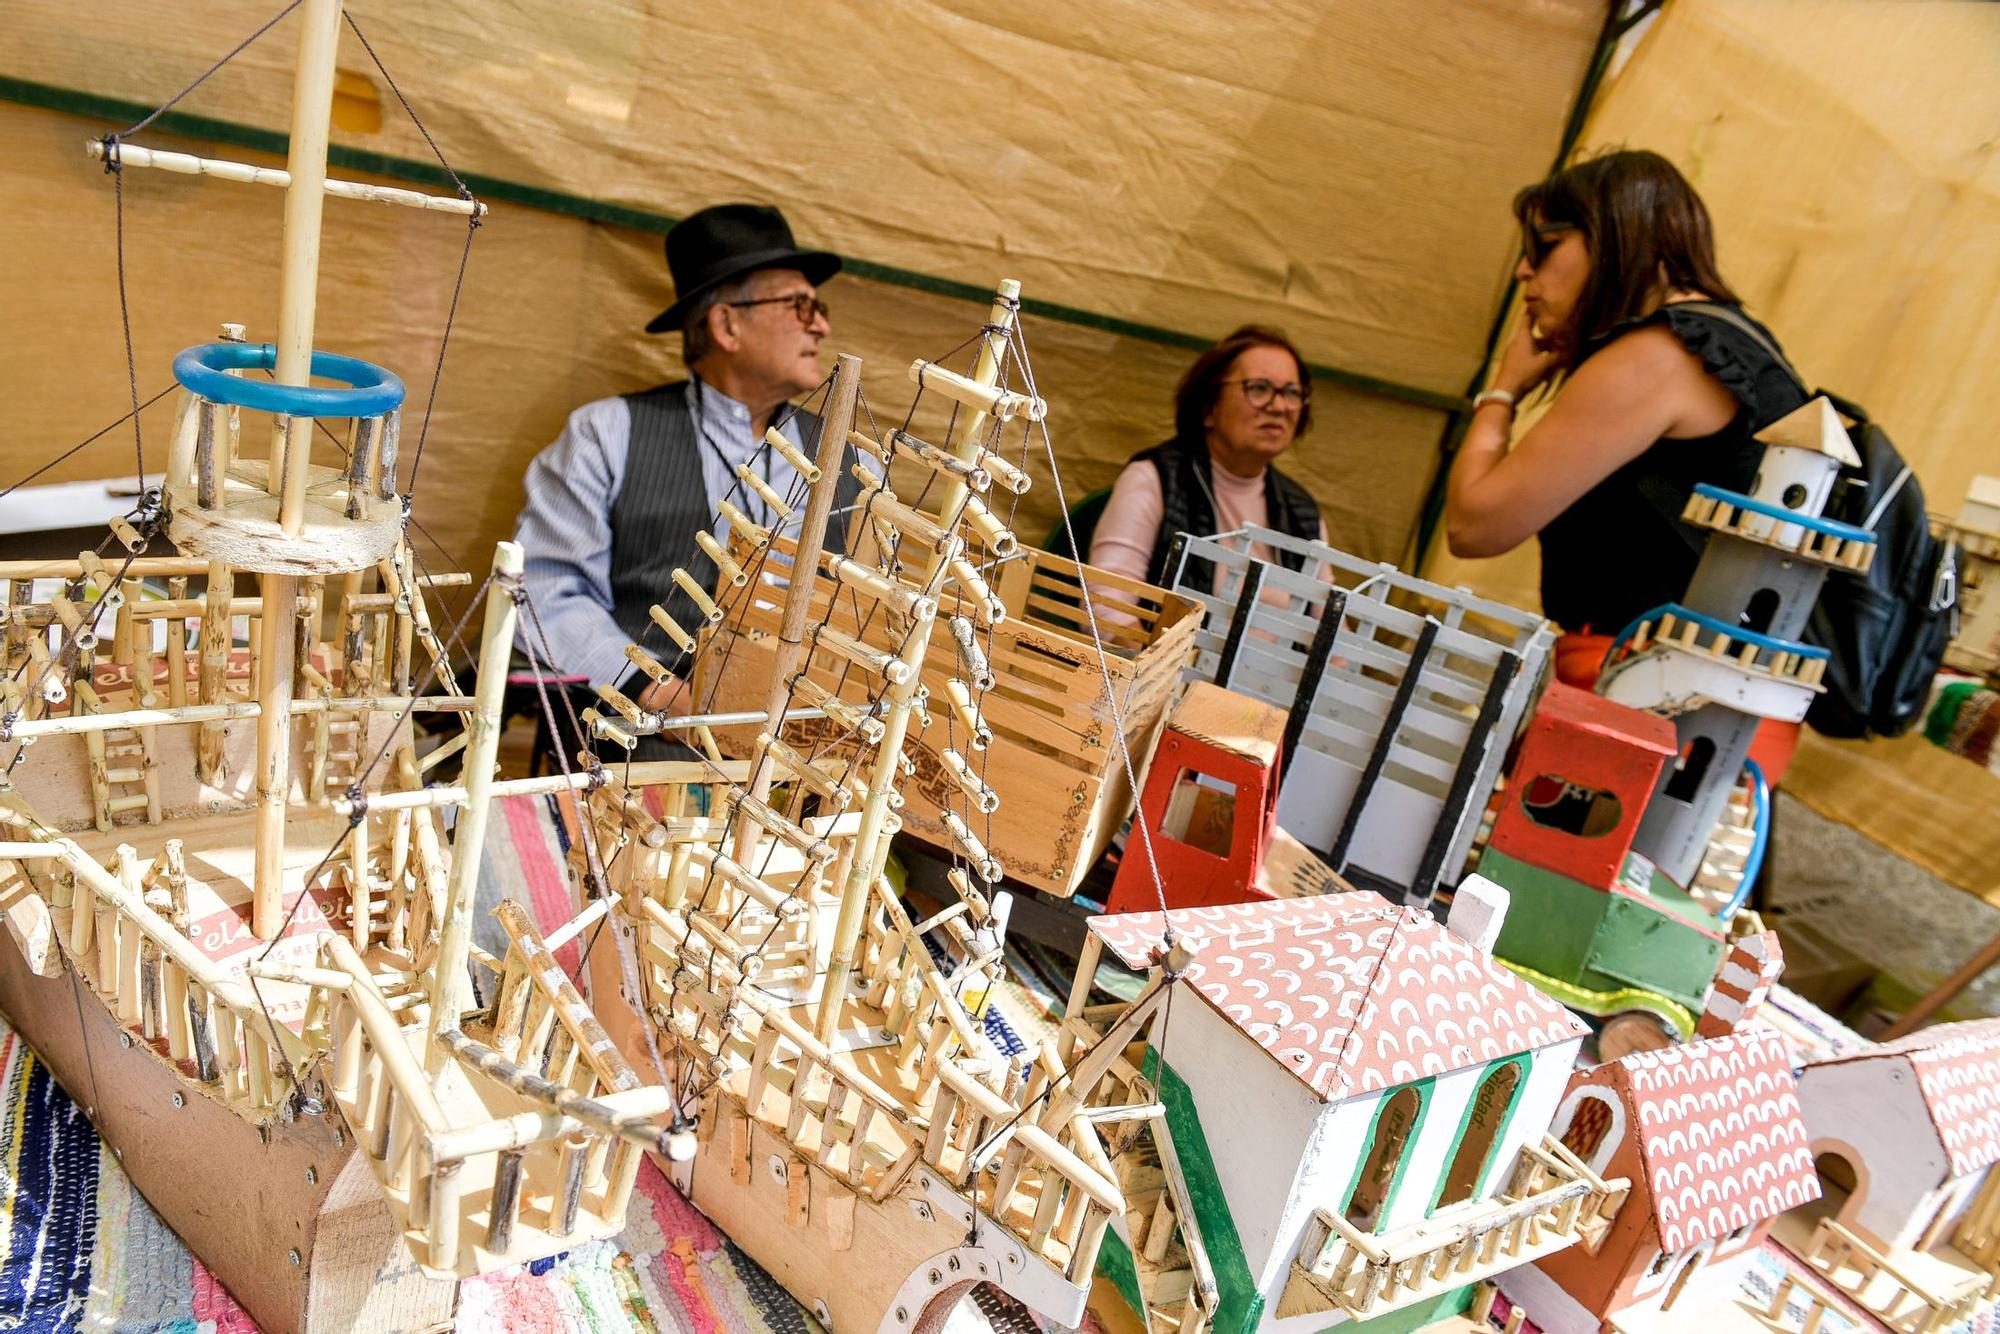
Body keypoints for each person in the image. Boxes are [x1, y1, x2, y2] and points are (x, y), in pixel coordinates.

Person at [1445, 148, 1811, 777]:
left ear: (1614, 237)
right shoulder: (1742, 345)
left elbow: (1475, 524)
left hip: (1651, 700)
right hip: (1715, 711)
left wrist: (1501, 392)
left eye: (1545, 246)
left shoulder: (1660, 354)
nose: (1524, 274)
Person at [512, 203, 869, 755]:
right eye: (800, 305)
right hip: (640, 750)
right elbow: (539, 592)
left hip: (806, 761)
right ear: (727, 324)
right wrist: (660, 693)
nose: (820, 323)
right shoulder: (607, 433)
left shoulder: (851, 460)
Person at [1087, 325, 1327, 592]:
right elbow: (1107, 603)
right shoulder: (1156, 478)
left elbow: (1330, 623)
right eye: (1259, 388)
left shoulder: (1302, 511)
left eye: (1292, 392)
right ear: (1209, 406)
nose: (1279, 406)